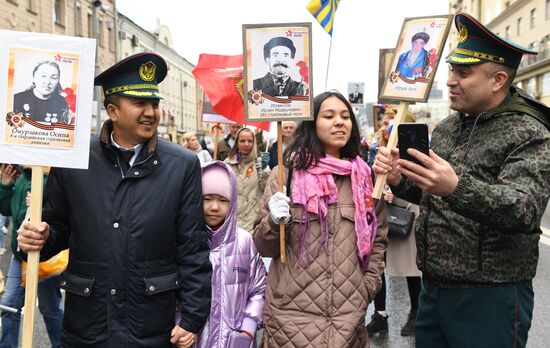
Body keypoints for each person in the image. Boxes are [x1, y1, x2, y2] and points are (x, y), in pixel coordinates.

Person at [373, 13, 550, 348]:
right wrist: (400, 177)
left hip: (490, 297)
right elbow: (430, 191)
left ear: (498, 80)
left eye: (463, 72)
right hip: (435, 289)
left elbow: (523, 208)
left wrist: (456, 187)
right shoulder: (450, 127)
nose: (451, 80)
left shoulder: (529, 132)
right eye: (452, 69)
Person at [17, 52, 212, 348]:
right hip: (88, 326)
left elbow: (193, 247)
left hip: (151, 328)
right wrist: (37, 238)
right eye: (140, 103)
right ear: (113, 110)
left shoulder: (182, 165)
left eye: (154, 104)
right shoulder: (73, 160)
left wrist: (192, 318)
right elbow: (57, 227)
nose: (151, 112)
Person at [253, 91, 388, 347]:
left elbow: (378, 239)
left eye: (345, 116)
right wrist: (272, 220)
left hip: (348, 318)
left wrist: (367, 287)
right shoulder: (286, 175)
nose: (339, 122)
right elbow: (263, 246)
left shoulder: (365, 178)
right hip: (290, 318)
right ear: (312, 124)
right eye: (329, 116)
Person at [194, 161, 267, 348]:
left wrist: (248, 328)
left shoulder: (244, 242)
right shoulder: (187, 241)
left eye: (223, 200)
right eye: (207, 198)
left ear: (233, 201)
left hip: (234, 340)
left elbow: (259, 289)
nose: (214, 207)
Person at [0, 164, 63, 348]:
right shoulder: (22, 178)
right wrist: (4, 184)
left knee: (50, 308)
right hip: (19, 257)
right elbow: (6, 211)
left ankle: (60, 345)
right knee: (9, 304)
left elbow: (63, 216)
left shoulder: (53, 178)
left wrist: (41, 205)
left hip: (44, 256)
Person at [366, 189, 422, 337]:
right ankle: (380, 315)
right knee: (377, 261)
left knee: (410, 265)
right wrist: (383, 192)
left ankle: (416, 312)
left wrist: (402, 191)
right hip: (382, 209)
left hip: (407, 208)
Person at [224, 127, 269, 233]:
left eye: (250, 141)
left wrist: (265, 169)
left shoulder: (259, 163)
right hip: (232, 220)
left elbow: (267, 189)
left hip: (253, 220)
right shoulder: (228, 163)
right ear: (237, 143)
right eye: (242, 141)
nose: (246, 144)